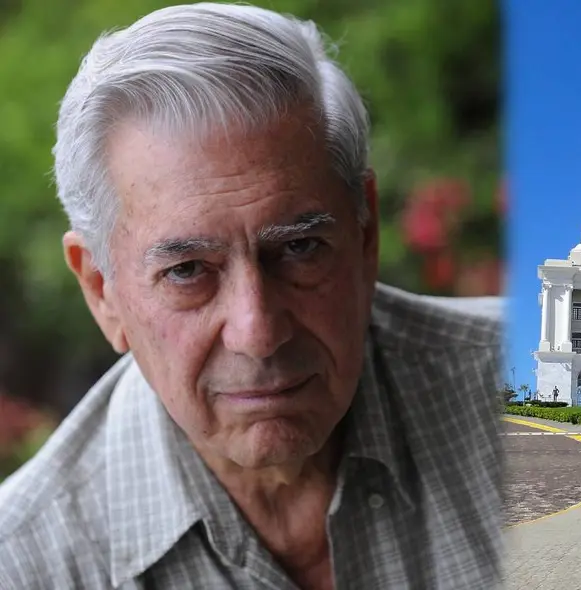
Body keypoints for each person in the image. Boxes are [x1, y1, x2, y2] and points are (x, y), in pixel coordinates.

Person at [0, 4, 504, 589]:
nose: (258, 330)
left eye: (299, 249)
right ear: (101, 292)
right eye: (188, 270)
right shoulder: (26, 566)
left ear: (364, 236)